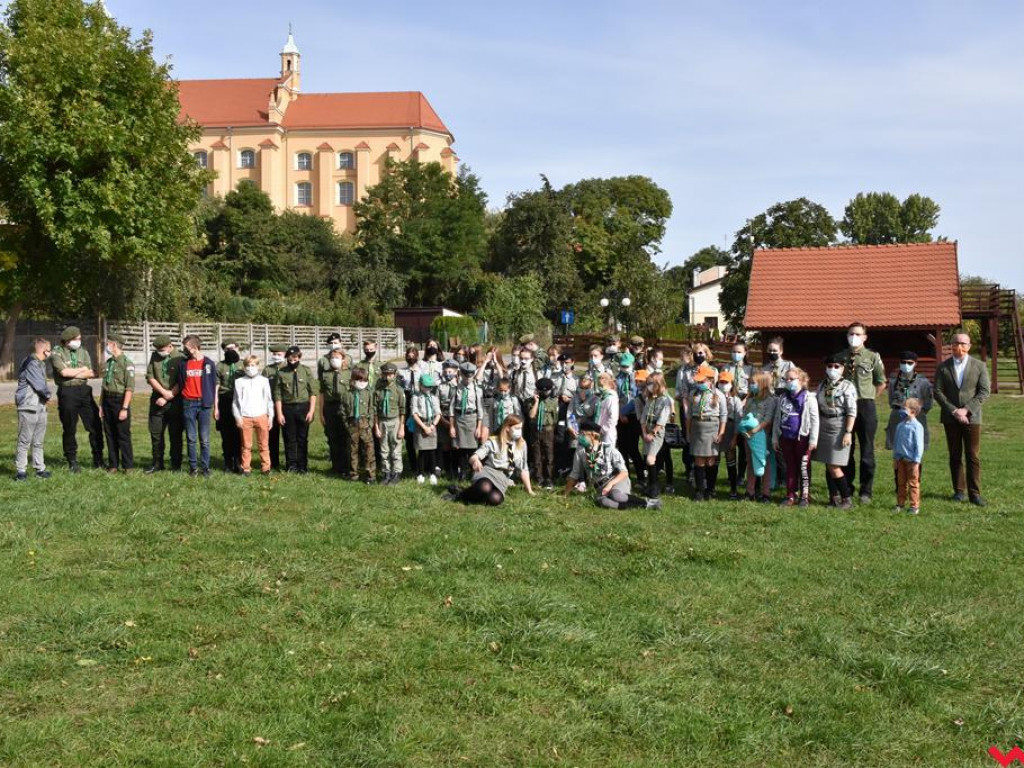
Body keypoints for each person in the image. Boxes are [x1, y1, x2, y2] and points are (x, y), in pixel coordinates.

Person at [933, 330, 990, 506]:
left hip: (972, 418)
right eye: (956, 343)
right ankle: (959, 491)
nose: (960, 346)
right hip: (951, 418)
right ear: (951, 346)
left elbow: (984, 392)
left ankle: (975, 494)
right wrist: (954, 411)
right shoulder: (943, 367)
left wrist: (966, 410)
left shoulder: (979, 366)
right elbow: (937, 391)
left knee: (972, 455)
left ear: (969, 346)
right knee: (954, 455)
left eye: (963, 343)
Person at [563, 421, 661, 510]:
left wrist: (610, 485)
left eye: (583, 434)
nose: (580, 436)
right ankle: (643, 506)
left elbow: (624, 472)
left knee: (616, 496)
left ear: (592, 435)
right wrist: (565, 495)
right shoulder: (580, 451)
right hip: (599, 486)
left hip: (617, 481)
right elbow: (574, 474)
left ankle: (646, 503)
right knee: (603, 502)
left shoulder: (609, 449)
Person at [443, 415, 534, 506]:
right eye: (517, 428)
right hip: (488, 472)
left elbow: (524, 469)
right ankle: (460, 495)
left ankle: (465, 491)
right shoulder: (494, 441)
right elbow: (474, 456)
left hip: (503, 477)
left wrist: (529, 490)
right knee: (485, 487)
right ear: (507, 428)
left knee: (495, 499)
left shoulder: (522, 444)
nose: (519, 432)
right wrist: (475, 461)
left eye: (520, 428)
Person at [841, 322, 886, 504]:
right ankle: (847, 488)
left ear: (865, 337)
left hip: (866, 405)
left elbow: (881, 381)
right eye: (851, 333)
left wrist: (870, 397)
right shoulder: (841, 357)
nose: (854, 336)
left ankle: (866, 491)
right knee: (846, 450)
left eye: (858, 334)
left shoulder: (872, 357)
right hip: (845, 408)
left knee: (867, 451)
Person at [50, 325, 104, 472]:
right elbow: (64, 373)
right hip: (67, 392)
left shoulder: (83, 352)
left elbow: (91, 372)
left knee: (95, 425)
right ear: (68, 340)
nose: (79, 341)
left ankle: (98, 459)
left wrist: (74, 372)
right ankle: (72, 460)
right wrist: (81, 371)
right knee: (69, 428)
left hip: (84, 391)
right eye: (77, 339)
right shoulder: (57, 352)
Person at [812, 353, 858, 509]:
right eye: (830, 366)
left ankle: (846, 498)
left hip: (839, 424)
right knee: (827, 463)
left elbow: (852, 411)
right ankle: (833, 498)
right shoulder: (822, 385)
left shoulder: (847, 386)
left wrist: (848, 431)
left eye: (836, 366)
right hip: (823, 424)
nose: (832, 369)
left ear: (843, 368)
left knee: (834, 465)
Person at [885, 351, 934, 488]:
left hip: (916, 418)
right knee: (898, 452)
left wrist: (916, 413)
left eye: (910, 363)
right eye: (903, 362)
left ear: (915, 364)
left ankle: (915, 484)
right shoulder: (894, 380)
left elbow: (928, 402)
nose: (906, 365)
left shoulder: (923, 381)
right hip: (897, 418)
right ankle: (899, 486)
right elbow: (890, 400)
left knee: (916, 451)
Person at [772, 367, 819, 507]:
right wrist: (775, 438)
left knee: (803, 467)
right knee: (790, 467)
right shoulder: (782, 398)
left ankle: (805, 496)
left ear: (802, 380)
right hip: (786, 438)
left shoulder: (809, 398)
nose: (788, 382)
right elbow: (777, 419)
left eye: (792, 379)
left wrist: (813, 440)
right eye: (786, 379)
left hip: (802, 439)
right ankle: (790, 495)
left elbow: (815, 420)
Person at [273, 346, 318, 474]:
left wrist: (311, 411)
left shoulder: (306, 371)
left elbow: (313, 392)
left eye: (295, 358)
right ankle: (291, 465)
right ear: (286, 357)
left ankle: (303, 465)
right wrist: (279, 413)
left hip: (303, 407)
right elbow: (278, 394)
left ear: (299, 357)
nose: (292, 360)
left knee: (302, 438)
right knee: (289, 438)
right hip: (287, 408)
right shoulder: (281, 372)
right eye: (290, 357)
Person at [178, 335, 218, 477]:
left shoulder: (208, 364)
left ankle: (205, 468)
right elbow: (181, 382)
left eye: (186, 347)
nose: (184, 350)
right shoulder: (183, 364)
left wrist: (216, 406)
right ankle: (193, 468)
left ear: (194, 348)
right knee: (191, 438)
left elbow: (214, 386)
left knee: (204, 439)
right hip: (188, 403)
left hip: (204, 404)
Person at [14, 338, 52, 481]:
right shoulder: (31, 363)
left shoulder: (39, 363)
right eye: (49, 349)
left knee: (38, 441)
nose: (51, 352)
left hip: (40, 407)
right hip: (28, 406)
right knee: (24, 441)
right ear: (44, 350)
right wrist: (48, 395)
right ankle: (21, 471)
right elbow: (39, 385)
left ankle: (40, 469)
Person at [687, 364, 726, 501]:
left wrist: (721, 433)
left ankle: (710, 489)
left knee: (710, 460)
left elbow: (723, 415)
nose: (699, 384)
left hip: (712, 426)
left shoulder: (718, 395)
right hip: (698, 426)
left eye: (702, 381)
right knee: (699, 460)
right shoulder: (693, 394)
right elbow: (689, 414)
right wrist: (688, 431)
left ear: (710, 380)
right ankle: (699, 490)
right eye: (698, 381)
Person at [144, 335, 183, 474]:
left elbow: (182, 379)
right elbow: (150, 376)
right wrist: (162, 392)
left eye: (162, 349)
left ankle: (176, 464)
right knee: (156, 434)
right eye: (158, 349)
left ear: (170, 345)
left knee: (175, 435)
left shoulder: (180, 357)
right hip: (157, 399)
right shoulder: (155, 356)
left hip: (176, 400)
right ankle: (157, 463)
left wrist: (169, 395)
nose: (160, 351)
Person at [232, 355, 274, 476]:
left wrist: (270, 417)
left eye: (253, 365)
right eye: (248, 366)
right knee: (246, 445)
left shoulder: (264, 381)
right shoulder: (239, 382)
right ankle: (246, 468)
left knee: (263, 444)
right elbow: (235, 402)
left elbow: (269, 400)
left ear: (257, 366)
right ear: (244, 367)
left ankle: (266, 467)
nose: (250, 368)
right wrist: (237, 417)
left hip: (261, 415)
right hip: (245, 417)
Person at [100, 332, 135, 473]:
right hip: (107, 400)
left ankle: (128, 466)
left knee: (123, 434)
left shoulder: (127, 364)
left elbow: (129, 388)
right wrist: (101, 405)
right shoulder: (109, 363)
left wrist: (124, 408)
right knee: (109, 433)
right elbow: (104, 385)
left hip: (119, 401)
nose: (107, 346)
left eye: (108, 343)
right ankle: (113, 465)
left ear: (114, 345)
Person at [739, 371, 774, 502]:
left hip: (763, 436)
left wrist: (754, 431)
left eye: (753, 383)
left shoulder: (771, 400)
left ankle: (766, 493)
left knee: (765, 464)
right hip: (748, 437)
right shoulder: (750, 399)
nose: (751, 386)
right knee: (750, 463)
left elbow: (767, 419)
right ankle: (750, 491)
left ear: (762, 384)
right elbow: (745, 415)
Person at [639, 372, 673, 499]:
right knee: (647, 458)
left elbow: (662, 420)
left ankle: (654, 487)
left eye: (650, 383)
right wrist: (644, 432)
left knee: (650, 459)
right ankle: (650, 485)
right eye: (647, 384)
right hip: (647, 430)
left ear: (658, 383)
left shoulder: (665, 400)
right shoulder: (651, 399)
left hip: (657, 432)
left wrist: (653, 433)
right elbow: (643, 416)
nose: (648, 386)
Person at [449, 361, 484, 478]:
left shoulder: (477, 390)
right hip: (459, 419)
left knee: (472, 448)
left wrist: (479, 427)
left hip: (472, 419)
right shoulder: (456, 388)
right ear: (461, 374)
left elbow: (480, 410)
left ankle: (473, 471)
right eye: (465, 375)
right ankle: (462, 471)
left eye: (470, 375)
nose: (468, 378)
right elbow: (451, 409)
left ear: (473, 375)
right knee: (461, 448)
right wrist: (452, 426)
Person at [319, 346, 351, 476]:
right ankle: (336, 467)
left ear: (343, 359)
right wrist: (321, 413)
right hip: (330, 407)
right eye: (332, 358)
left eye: (337, 358)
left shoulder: (349, 373)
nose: (334, 360)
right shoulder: (325, 374)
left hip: (344, 407)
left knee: (345, 437)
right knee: (332, 438)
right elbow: (321, 393)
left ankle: (346, 467)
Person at [341, 367, 375, 483]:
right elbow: (343, 410)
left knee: (368, 450)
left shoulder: (369, 393)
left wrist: (370, 424)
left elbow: (372, 409)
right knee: (352, 451)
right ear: (353, 380)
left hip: (365, 423)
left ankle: (370, 475)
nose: (361, 383)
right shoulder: (347, 394)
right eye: (359, 380)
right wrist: (346, 424)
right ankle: (353, 474)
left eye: (364, 380)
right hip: (352, 424)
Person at [892, 397, 925, 515]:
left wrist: (917, 460)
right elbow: (896, 442)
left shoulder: (917, 426)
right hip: (900, 459)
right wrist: (895, 457)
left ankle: (914, 506)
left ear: (913, 411)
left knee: (913, 483)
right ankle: (900, 504)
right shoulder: (900, 425)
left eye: (904, 408)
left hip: (912, 461)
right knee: (900, 483)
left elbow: (919, 445)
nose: (901, 410)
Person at [215, 339, 244, 473]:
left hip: (240, 401)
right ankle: (227, 462)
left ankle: (238, 462)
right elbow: (216, 387)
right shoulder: (220, 366)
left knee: (239, 433)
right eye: (227, 349)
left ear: (238, 348)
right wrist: (215, 407)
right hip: (225, 400)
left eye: (233, 348)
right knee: (226, 434)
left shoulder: (244, 364)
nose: (230, 351)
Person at [375, 362, 406, 485]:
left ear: (394, 375)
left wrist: (402, 427)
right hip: (382, 421)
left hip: (395, 421)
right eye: (385, 374)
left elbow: (403, 409)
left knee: (396, 449)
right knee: (384, 449)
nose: (388, 377)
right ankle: (386, 472)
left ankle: (397, 472)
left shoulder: (398, 389)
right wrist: (376, 427)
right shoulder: (378, 389)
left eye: (390, 374)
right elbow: (374, 409)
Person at [714, 370, 743, 500]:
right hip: (716, 428)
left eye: (726, 382)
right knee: (714, 459)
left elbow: (738, 419)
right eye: (721, 382)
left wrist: (735, 437)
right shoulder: (713, 397)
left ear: (732, 384)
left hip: (730, 429)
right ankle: (711, 487)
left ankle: (733, 489)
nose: (724, 384)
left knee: (731, 460)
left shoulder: (735, 400)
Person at [262, 343, 289, 471]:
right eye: (274, 354)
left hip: (287, 404)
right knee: (272, 436)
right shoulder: (268, 370)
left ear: (284, 355)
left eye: (279, 354)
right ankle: (273, 462)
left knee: (288, 435)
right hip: (271, 405)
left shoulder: (288, 367)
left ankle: (290, 462)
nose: (276, 356)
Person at [529, 377, 559, 489]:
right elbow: (532, 415)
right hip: (536, 430)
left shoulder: (554, 402)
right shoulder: (531, 401)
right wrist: (536, 402)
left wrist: (551, 428)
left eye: (547, 391)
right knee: (537, 455)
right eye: (542, 391)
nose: (545, 393)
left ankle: (549, 478)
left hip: (548, 430)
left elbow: (555, 418)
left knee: (549, 455)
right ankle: (539, 478)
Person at [412, 373, 442, 485]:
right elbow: (414, 413)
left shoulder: (434, 398)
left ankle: (433, 473)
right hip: (421, 424)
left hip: (432, 424)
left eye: (430, 387)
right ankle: (420, 473)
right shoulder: (415, 397)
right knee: (421, 451)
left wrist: (433, 425)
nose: (428, 389)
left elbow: (438, 413)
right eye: (426, 386)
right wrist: (424, 427)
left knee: (432, 451)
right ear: (420, 385)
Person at [399, 345, 422, 471]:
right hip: (407, 400)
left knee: (420, 432)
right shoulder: (402, 372)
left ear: (417, 356)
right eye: (409, 355)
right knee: (409, 434)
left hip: (419, 400)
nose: (411, 357)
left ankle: (422, 462)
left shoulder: (421, 371)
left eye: (413, 355)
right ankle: (412, 463)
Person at [437, 359, 460, 480]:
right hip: (443, 416)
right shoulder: (440, 386)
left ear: (456, 372)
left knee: (455, 444)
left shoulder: (459, 386)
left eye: (450, 371)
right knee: (445, 445)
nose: (447, 373)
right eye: (445, 371)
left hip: (456, 418)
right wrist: (441, 419)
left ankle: (456, 469)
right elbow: (436, 403)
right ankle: (447, 469)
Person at [595, 371, 619, 448]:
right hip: (599, 431)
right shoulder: (602, 397)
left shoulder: (611, 398)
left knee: (607, 456)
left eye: (600, 385)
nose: (599, 387)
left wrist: (603, 430)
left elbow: (613, 418)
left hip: (607, 433)